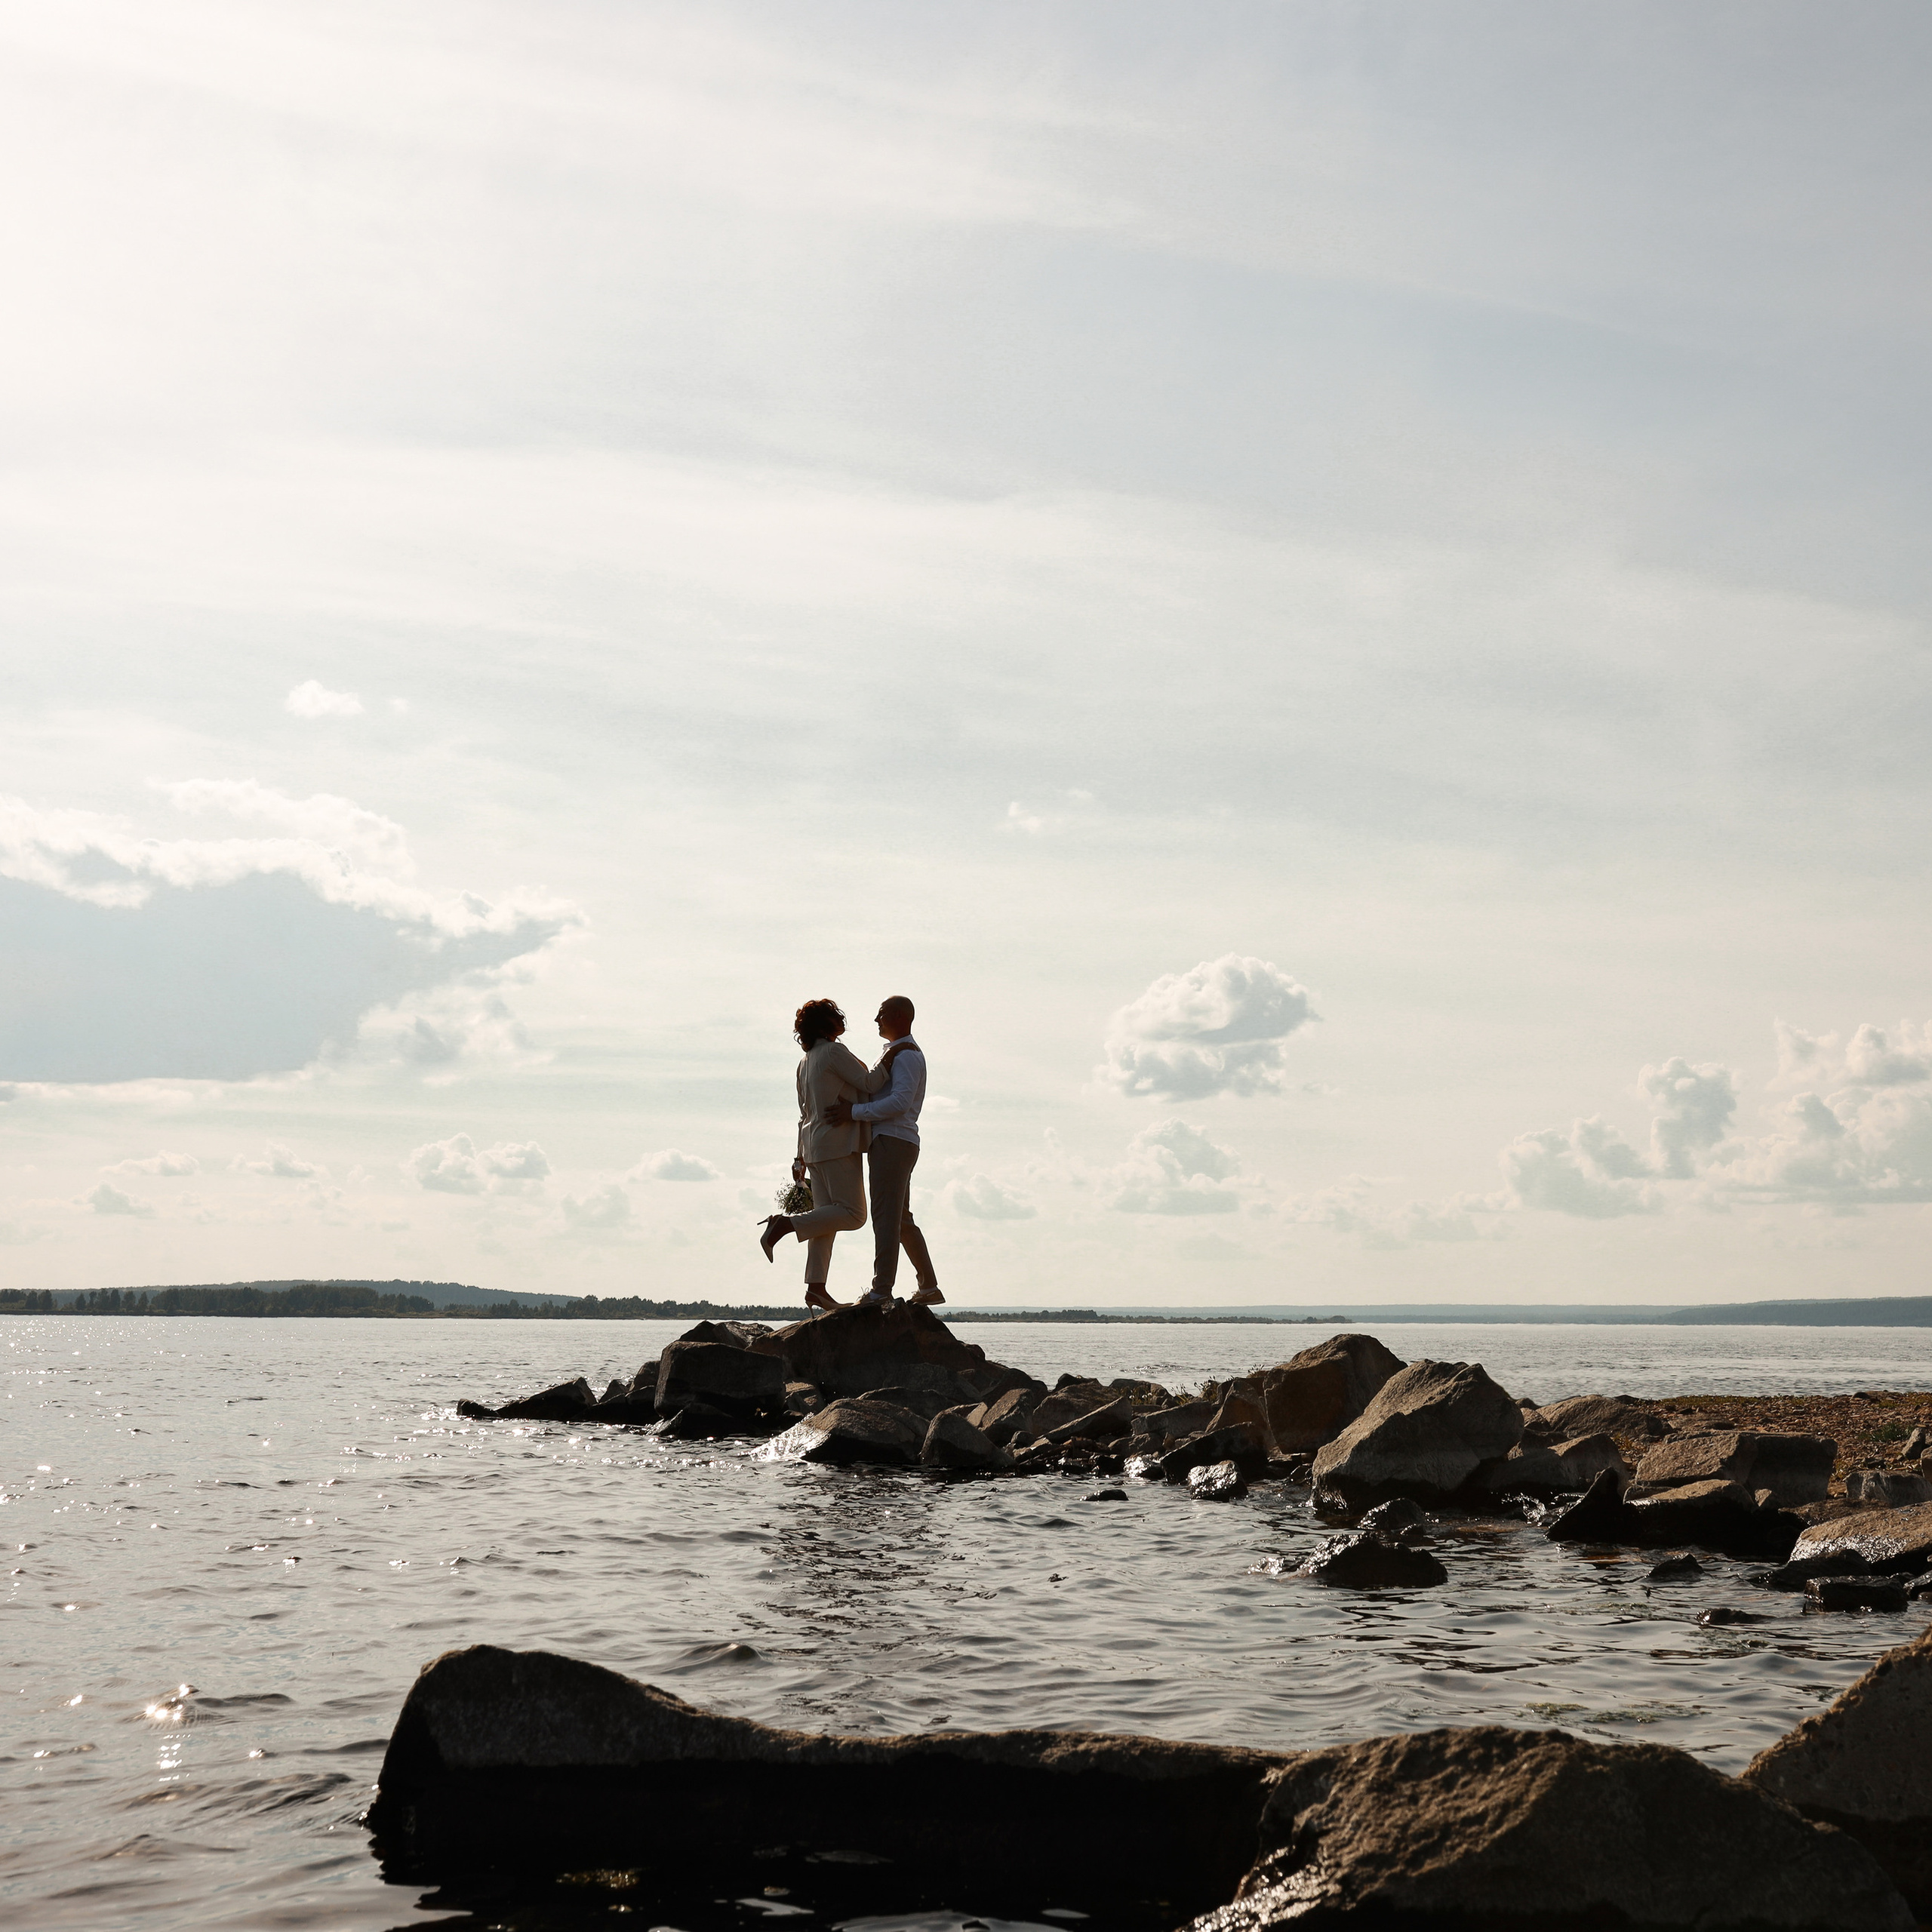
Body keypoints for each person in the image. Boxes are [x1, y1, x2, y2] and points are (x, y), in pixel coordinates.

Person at [758, 998, 907, 1312]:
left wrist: (799, 1157)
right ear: (828, 1024)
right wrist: (891, 1057)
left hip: (813, 1148)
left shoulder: (804, 1062)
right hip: (838, 1144)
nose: (843, 1021)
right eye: (837, 1017)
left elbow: (802, 1114)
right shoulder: (834, 1052)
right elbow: (869, 1082)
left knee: (824, 1220)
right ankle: (784, 1225)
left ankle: (816, 1288)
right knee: (855, 1215)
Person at [828, 995, 940, 1309]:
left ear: (899, 1016)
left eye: (881, 1014)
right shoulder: (897, 1053)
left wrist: (854, 1112)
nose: (876, 1020)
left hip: (892, 1141)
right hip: (898, 1141)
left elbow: (900, 1103)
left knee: (886, 1218)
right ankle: (929, 1285)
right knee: (900, 1218)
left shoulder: (905, 1056)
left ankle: (881, 1290)